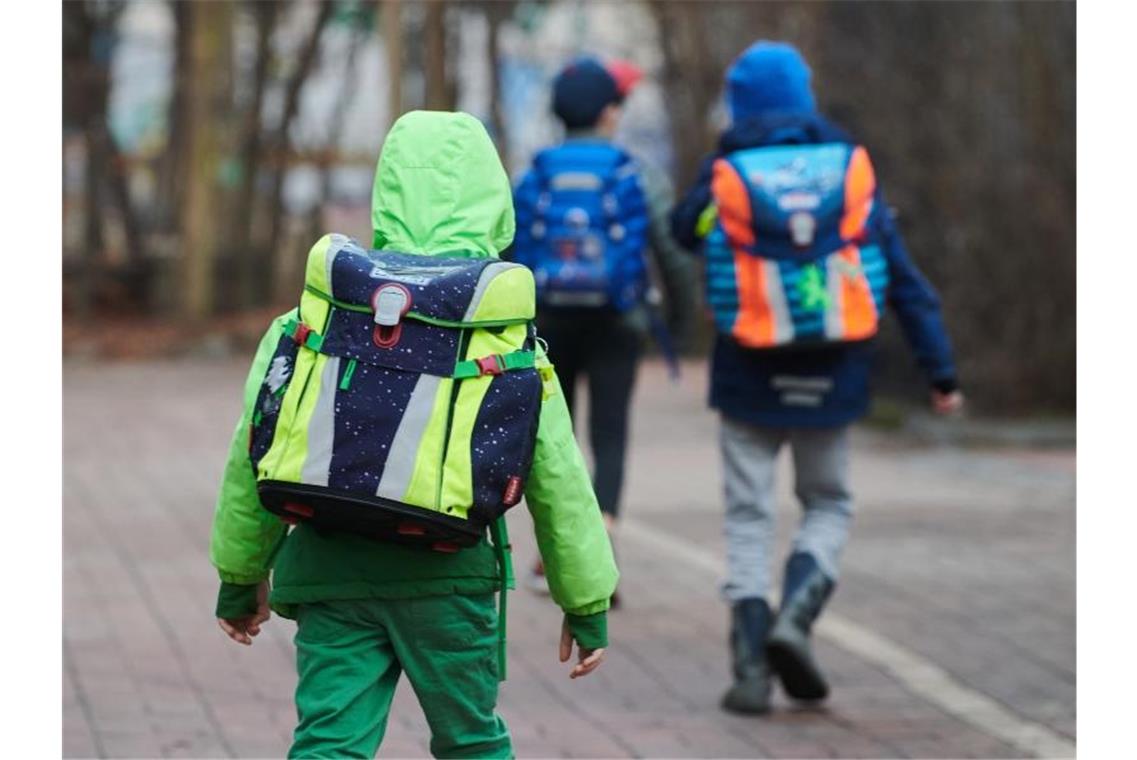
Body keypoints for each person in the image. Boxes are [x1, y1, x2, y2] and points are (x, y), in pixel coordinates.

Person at [210, 110, 618, 758]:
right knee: (471, 744)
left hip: (329, 571)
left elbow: (252, 449)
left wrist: (240, 577)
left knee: (328, 744)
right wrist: (586, 599)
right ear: (496, 208)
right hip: (448, 577)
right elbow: (559, 479)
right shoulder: (503, 333)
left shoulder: (318, 316)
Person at [670, 41, 964, 714]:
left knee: (748, 516)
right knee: (827, 501)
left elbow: (682, 232)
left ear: (741, 104)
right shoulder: (848, 169)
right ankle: (796, 617)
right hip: (834, 370)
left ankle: (749, 668)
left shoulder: (728, 169)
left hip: (748, 368)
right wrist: (940, 371)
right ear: (803, 97)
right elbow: (905, 279)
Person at [510, 57, 695, 602]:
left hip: (548, 323)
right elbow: (672, 253)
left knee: (552, 442)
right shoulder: (634, 172)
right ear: (610, 112)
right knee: (609, 437)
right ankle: (602, 554)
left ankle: (553, 559)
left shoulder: (536, 174)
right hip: (619, 321)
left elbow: (508, 251)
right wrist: (679, 324)